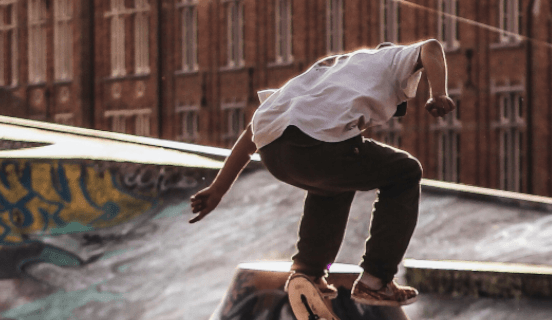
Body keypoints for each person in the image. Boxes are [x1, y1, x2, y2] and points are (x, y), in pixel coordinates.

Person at [189, 39, 454, 306]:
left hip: (276, 154)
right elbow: (430, 48)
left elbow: (252, 134)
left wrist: (218, 189)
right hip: (316, 147)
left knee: (335, 181)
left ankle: (307, 272)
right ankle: (376, 280)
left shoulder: (327, 73)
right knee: (405, 171)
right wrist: (438, 92)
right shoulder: (390, 59)